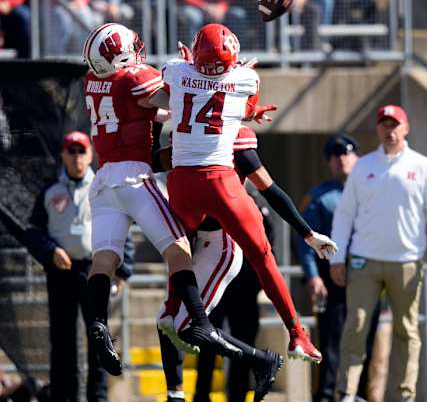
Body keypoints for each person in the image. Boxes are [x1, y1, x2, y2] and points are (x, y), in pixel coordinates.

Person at [160, 23, 337, 364]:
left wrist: (188, 67)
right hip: (219, 181)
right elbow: (237, 103)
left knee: (180, 250)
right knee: (261, 256)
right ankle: (297, 334)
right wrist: (307, 234)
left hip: (180, 183)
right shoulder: (245, 80)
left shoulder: (176, 69)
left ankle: (170, 310)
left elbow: (181, 89)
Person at [81, 22, 244, 378]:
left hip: (103, 179)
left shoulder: (93, 82)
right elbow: (177, 99)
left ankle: (97, 322)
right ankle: (200, 321)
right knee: (178, 249)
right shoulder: (133, 76)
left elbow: (146, 109)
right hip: (134, 177)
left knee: (103, 260)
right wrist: (187, 71)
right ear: (122, 54)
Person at [156, 122, 332, 402]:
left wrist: (307, 234)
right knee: (167, 320)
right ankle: (176, 393)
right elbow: (149, 160)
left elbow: (271, 191)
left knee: (188, 324)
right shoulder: (185, 133)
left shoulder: (235, 139)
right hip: (194, 243)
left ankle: (263, 359)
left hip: (220, 247)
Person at [330, 104, 427, 402]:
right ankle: (347, 392)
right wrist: (337, 256)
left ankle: (405, 394)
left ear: (406, 128)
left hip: (408, 262)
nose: (390, 130)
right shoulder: (363, 166)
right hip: (364, 260)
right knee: (356, 327)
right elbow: (345, 214)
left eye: (395, 124)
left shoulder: (423, 166)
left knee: (407, 331)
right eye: (384, 124)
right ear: (377, 129)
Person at [25, 130, 135, 402]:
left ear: (90, 155)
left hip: (95, 271)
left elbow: (123, 226)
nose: (76, 157)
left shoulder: (102, 188)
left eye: (81, 151)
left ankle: (97, 397)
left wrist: (122, 271)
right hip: (60, 272)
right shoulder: (50, 191)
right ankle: (65, 397)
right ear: (63, 155)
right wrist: (50, 251)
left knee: (99, 339)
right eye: (71, 151)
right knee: (62, 342)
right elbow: (33, 231)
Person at [297, 133, 379, 402]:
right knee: (332, 340)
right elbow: (306, 239)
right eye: (334, 156)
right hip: (332, 278)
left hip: (367, 275)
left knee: (365, 337)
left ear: (357, 157)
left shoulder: (372, 189)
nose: (341, 160)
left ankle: (357, 394)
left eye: (346, 153)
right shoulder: (319, 196)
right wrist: (312, 277)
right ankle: (325, 395)